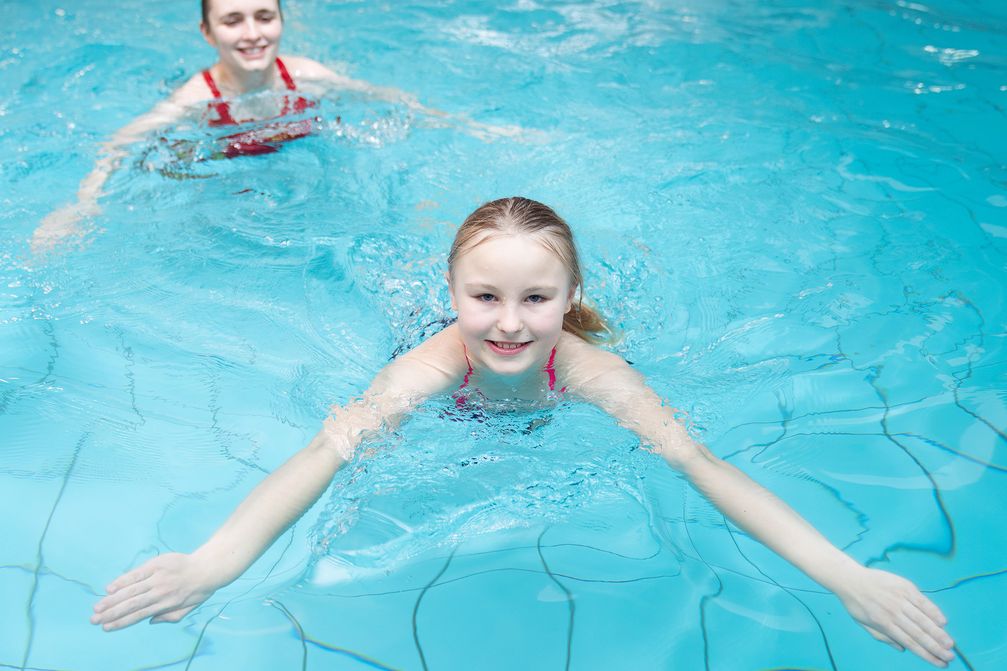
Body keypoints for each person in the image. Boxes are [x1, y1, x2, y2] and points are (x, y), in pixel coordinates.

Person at [90, 197, 955, 668]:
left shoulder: (592, 372)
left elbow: (701, 465)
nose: (507, 325)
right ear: (451, 295)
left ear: (570, 298)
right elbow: (327, 451)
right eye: (484, 297)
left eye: (536, 299)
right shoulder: (427, 366)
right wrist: (214, 561)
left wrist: (843, 574)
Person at [31, 0, 511, 252]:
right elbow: (119, 147)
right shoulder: (195, 101)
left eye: (264, 16)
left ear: (281, 20)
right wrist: (79, 207)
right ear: (208, 32)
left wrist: (474, 128)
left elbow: (393, 102)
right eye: (233, 20)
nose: (253, 33)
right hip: (224, 178)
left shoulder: (305, 76)